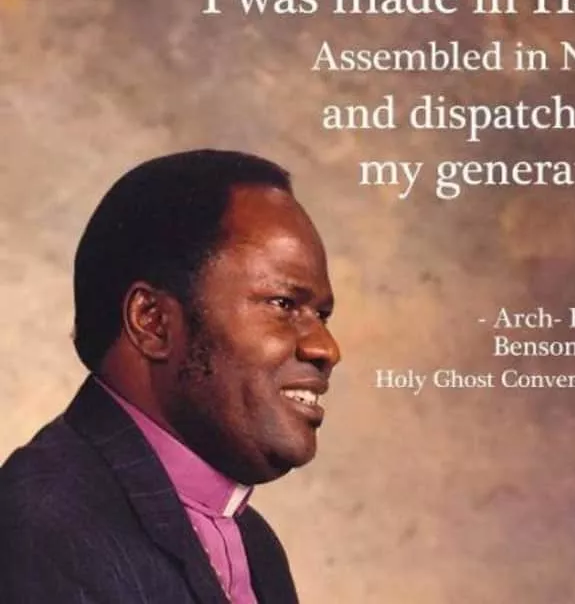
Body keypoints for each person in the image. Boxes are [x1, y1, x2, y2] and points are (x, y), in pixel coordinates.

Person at [0, 150, 341, 603]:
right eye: (283, 304)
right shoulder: (43, 528)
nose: (326, 349)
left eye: (322, 315)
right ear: (153, 321)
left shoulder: (254, 545)